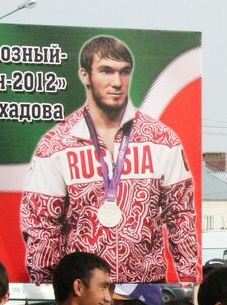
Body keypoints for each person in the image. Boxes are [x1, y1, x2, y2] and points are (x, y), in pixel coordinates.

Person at [20, 35, 199, 283]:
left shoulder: (162, 140)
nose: (117, 82)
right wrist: (51, 292)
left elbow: (181, 218)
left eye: (124, 72)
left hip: (146, 291)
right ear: (85, 75)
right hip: (82, 292)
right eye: (106, 71)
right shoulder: (56, 145)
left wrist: (190, 286)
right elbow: (41, 226)